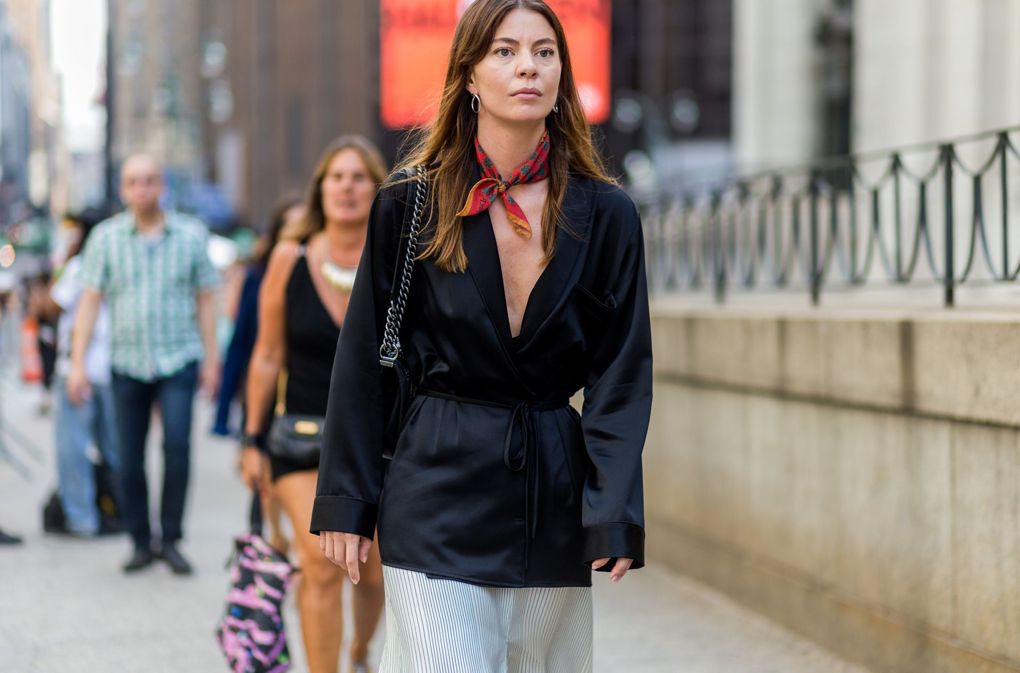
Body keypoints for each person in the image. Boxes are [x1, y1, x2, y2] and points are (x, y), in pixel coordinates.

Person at [313, 1, 653, 671]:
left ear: (561, 71)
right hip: (434, 485)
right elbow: (361, 362)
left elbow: (622, 372)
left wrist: (612, 504)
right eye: (503, 51)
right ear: (467, 74)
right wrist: (346, 500)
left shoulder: (607, 213)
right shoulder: (410, 202)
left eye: (544, 51)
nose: (527, 65)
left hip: (550, 498)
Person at [241, 137, 387, 673]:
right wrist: (252, 441)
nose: (346, 187)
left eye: (358, 177)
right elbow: (266, 355)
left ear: (377, 188)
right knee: (323, 562)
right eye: (335, 177)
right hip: (300, 439)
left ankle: (357, 652)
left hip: (377, 442)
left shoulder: (397, 256)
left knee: (369, 571)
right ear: (320, 190)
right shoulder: (289, 258)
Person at [68, 153, 220, 575]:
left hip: (179, 359)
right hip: (126, 361)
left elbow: (207, 299)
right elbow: (89, 303)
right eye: (134, 181)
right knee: (128, 457)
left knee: (177, 447)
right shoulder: (105, 238)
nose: (143, 189)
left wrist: (212, 360)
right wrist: (76, 363)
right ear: (123, 189)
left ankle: (170, 538)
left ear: (162, 185)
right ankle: (139, 540)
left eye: (150, 180)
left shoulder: (190, 235)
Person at [50, 211, 120, 537]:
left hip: (78, 369)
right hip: (114, 368)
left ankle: (82, 518)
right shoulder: (120, 263)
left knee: (73, 448)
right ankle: (120, 512)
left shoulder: (79, 267)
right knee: (116, 449)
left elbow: (51, 305)